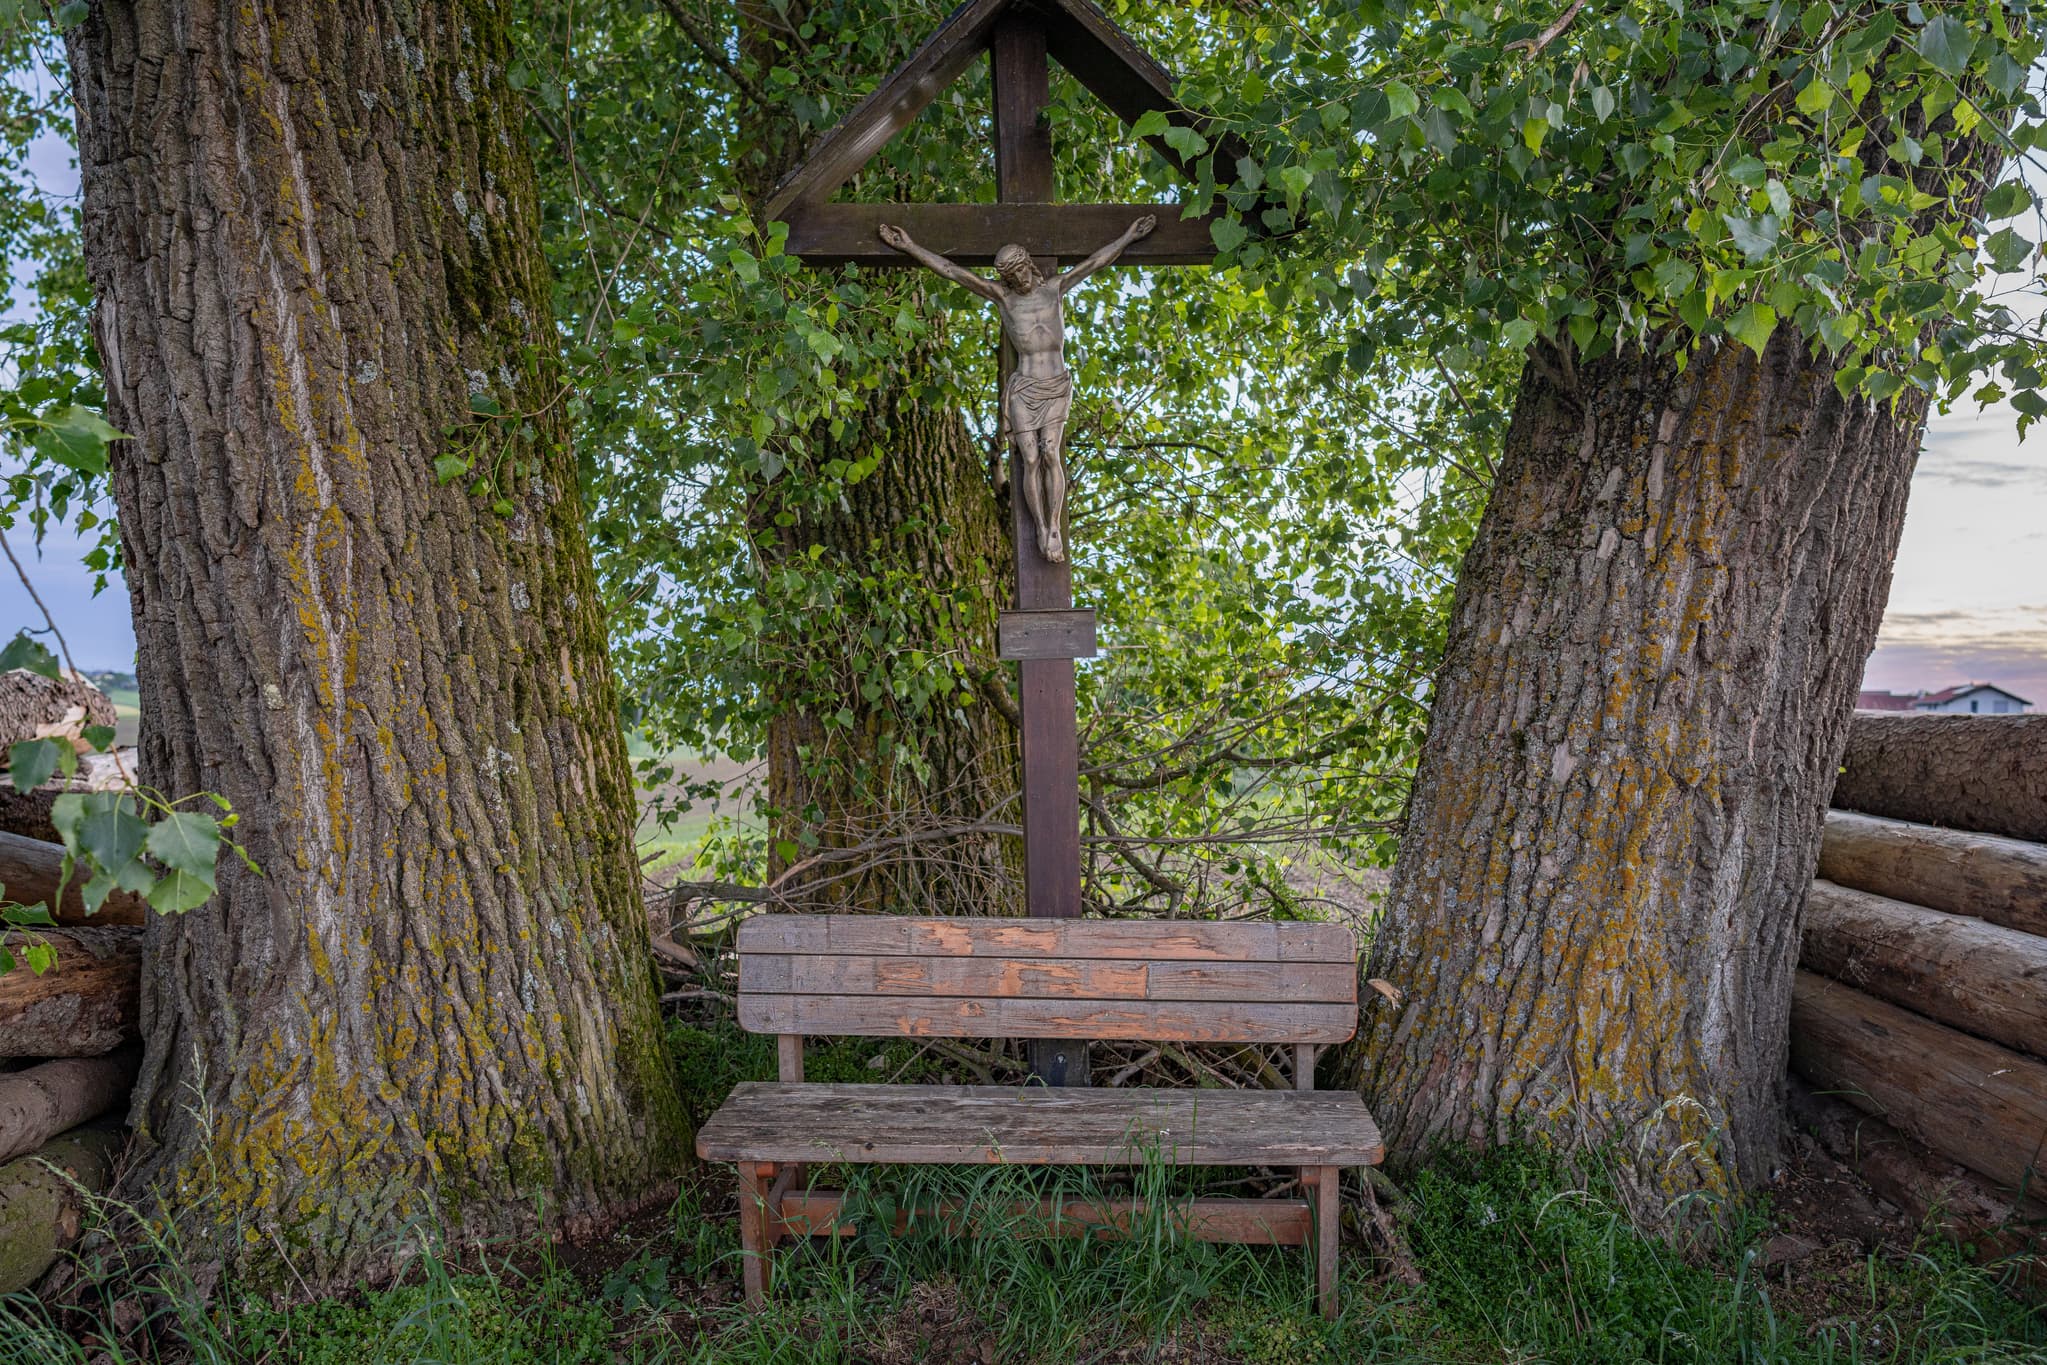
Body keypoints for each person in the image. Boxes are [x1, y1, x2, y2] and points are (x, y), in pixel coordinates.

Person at [876, 215, 1156, 563]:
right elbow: (952, 271)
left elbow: (1095, 262)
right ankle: (1039, 526)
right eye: (1013, 276)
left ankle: (1054, 527)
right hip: (1023, 387)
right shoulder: (1003, 298)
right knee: (1031, 458)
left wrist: (1128, 235)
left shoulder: (1054, 288)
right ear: (1006, 277)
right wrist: (910, 247)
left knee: (1051, 452)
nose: (1020, 279)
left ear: (1029, 266)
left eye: (1023, 271)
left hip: (1055, 384)